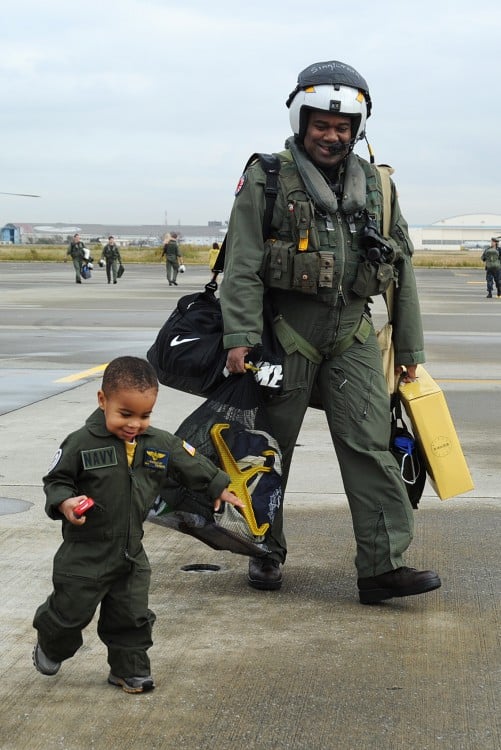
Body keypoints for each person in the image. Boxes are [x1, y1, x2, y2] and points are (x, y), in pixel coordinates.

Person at [219, 59, 441, 604]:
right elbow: (243, 265)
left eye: (342, 127)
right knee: (268, 451)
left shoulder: (379, 189)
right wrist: (239, 338)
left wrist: (409, 348)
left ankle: (382, 566)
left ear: (356, 129)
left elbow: (401, 268)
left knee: (371, 448)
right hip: (283, 333)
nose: (332, 135)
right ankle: (265, 552)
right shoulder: (268, 178)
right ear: (302, 122)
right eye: (322, 124)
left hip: (353, 334)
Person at [32, 356, 243, 693]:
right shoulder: (81, 443)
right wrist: (65, 502)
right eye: (125, 414)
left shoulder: (158, 444)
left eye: (145, 415)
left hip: (130, 552)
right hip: (85, 552)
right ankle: (51, 642)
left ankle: (128, 669)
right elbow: (57, 481)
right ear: (103, 401)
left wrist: (219, 486)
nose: (135, 424)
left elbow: (189, 462)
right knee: (70, 613)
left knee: (131, 616)